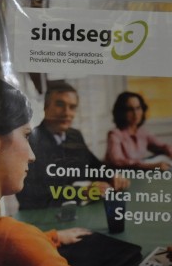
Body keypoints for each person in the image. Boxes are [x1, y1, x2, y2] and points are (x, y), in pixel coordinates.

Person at [0, 76, 90, 266]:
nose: (32, 156)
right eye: (25, 135)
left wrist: (51, 237)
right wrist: (34, 242)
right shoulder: (23, 241)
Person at [16, 81, 127, 210]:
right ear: (45, 107)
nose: (67, 113)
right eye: (60, 104)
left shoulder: (74, 135)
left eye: (72, 107)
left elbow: (94, 166)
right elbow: (29, 194)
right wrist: (81, 191)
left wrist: (113, 176)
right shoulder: (30, 142)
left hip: (76, 212)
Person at [105, 91, 172, 170]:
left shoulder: (142, 133)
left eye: (138, 108)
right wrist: (150, 166)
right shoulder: (115, 134)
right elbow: (118, 161)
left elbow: (161, 146)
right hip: (119, 175)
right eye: (130, 109)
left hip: (139, 173)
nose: (135, 113)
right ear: (121, 112)